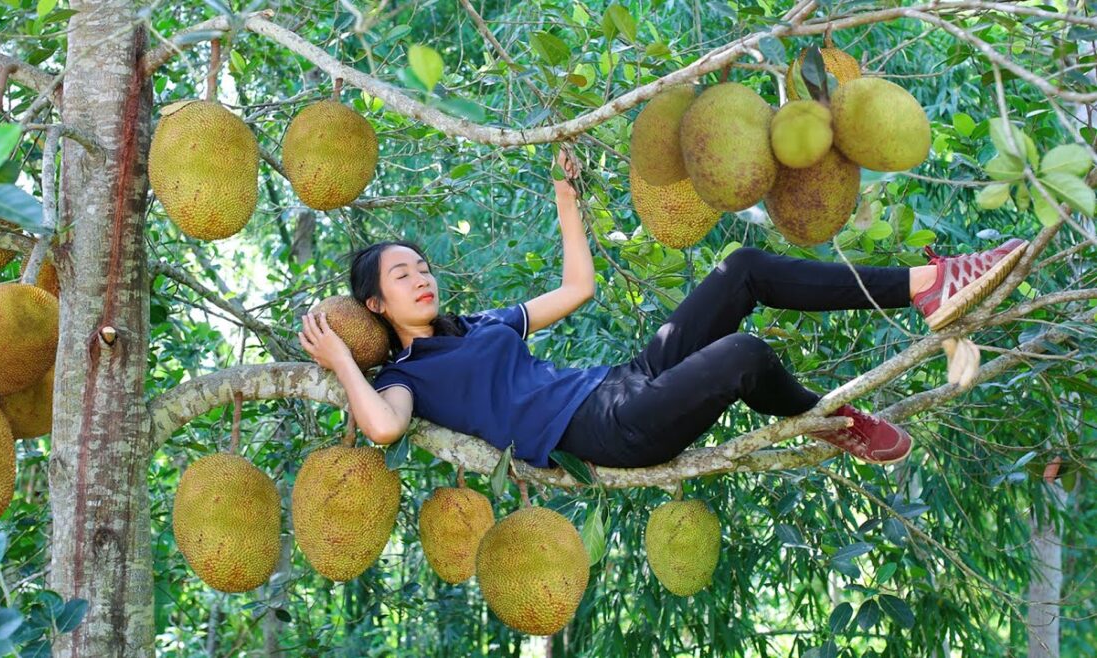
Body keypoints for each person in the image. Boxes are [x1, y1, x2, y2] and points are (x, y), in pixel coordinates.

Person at [298, 151, 1029, 469]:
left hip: (622, 381)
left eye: (423, 266)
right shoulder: (412, 377)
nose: (422, 278)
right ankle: (832, 421)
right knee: (745, 356)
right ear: (376, 303)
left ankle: (925, 285)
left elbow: (576, 288)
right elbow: (384, 429)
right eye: (402, 274)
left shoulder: (480, 327)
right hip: (609, 430)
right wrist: (338, 360)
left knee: (742, 268)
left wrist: (565, 200)